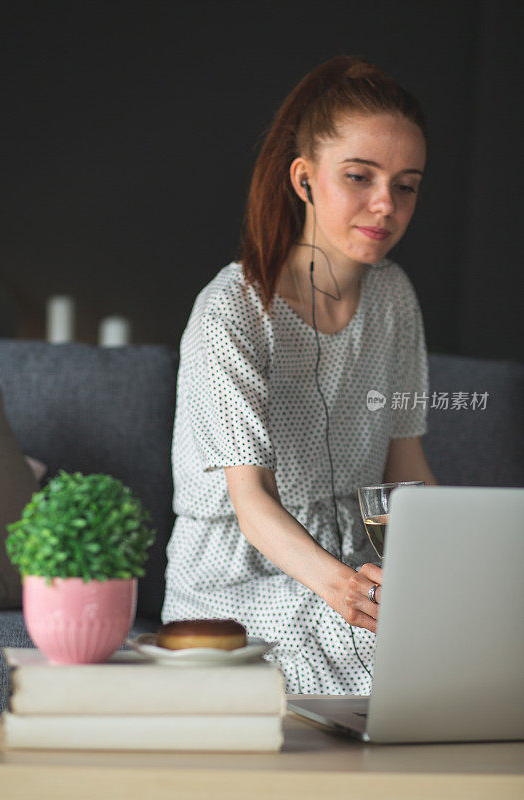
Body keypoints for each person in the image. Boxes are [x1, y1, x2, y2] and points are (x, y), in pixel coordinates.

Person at [162, 54, 438, 694]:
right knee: (390, 657)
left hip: (355, 572)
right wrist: (346, 590)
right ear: (305, 179)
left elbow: (407, 469)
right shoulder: (233, 308)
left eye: (406, 184)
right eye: (359, 176)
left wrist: (451, 570)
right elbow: (249, 499)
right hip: (237, 585)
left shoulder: (394, 299)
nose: (384, 204)